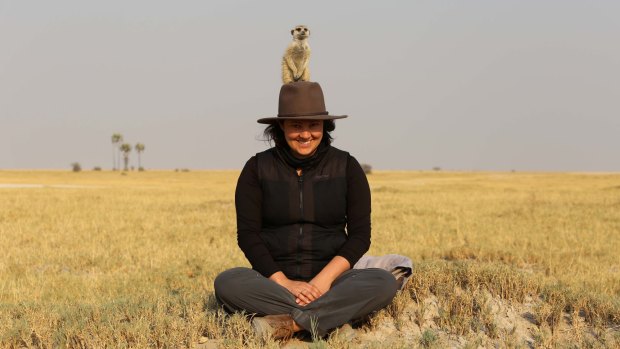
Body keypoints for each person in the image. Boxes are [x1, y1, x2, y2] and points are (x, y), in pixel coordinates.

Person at [214, 81, 398, 340]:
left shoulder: (347, 167)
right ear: (281, 127)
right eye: (296, 126)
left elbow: (360, 236)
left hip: (333, 282)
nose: (305, 134)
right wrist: (284, 283)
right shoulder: (256, 169)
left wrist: (321, 283)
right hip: (275, 283)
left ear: (325, 126)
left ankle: (290, 325)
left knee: (383, 282)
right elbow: (248, 236)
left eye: (313, 125)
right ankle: (331, 320)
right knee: (227, 283)